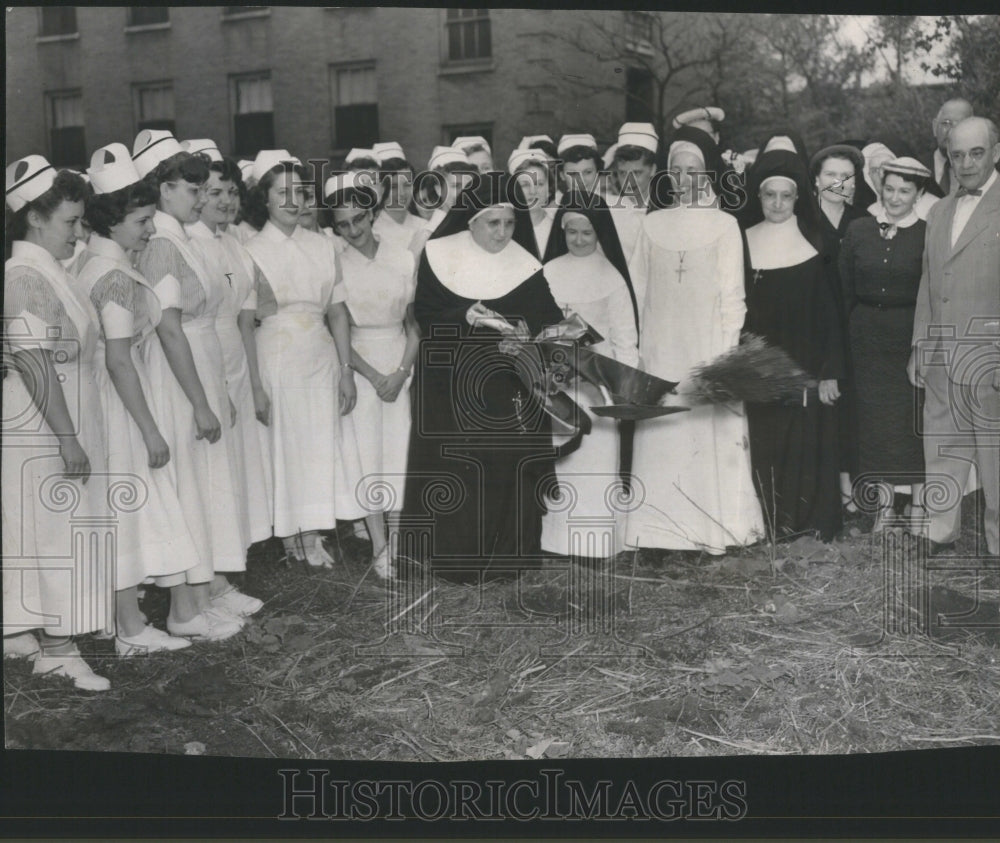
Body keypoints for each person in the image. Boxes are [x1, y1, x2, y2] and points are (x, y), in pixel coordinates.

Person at [399, 173, 565, 582]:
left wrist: (527, 336)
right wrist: (464, 315)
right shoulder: (439, 253)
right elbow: (426, 315)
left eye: (510, 223)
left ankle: (507, 559)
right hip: (449, 383)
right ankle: (452, 561)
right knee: (457, 471)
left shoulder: (524, 262)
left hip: (507, 383)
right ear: (471, 220)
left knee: (505, 467)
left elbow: (548, 320)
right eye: (494, 223)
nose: (503, 233)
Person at [76, 143, 203, 656]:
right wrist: (150, 427)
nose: (150, 231)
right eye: (143, 221)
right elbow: (119, 360)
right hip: (121, 405)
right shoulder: (113, 276)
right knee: (126, 510)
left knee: (122, 510)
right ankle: (128, 628)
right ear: (113, 221)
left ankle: (123, 619)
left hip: (114, 400)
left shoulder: (95, 263)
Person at [131, 130, 247, 641]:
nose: (203, 198)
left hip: (198, 363)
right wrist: (201, 402)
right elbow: (169, 327)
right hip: (177, 374)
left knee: (204, 486)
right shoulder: (159, 243)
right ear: (163, 189)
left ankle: (200, 597)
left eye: (205, 189)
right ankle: (182, 610)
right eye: (192, 189)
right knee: (186, 487)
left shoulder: (180, 236)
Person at [3, 157, 113, 687]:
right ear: (35, 220)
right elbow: (33, 360)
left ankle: (41, 634)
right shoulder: (24, 274)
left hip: (62, 414)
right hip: (41, 425)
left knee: (58, 527)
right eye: (71, 222)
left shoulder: (50, 269)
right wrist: (67, 437)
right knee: (49, 529)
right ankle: (57, 647)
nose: (79, 232)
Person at [624, 140, 764, 554]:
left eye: (693, 171)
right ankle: (657, 533)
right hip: (662, 347)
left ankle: (714, 531)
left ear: (706, 175)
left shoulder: (724, 225)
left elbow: (732, 295)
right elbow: (638, 290)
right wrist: (640, 350)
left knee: (706, 434)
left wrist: (723, 355)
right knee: (665, 433)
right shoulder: (651, 225)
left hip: (707, 347)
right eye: (678, 171)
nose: (685, 180)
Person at [242, 151, 365, 567]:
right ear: (264, 199)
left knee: (318, 443)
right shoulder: (250, 250)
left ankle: (314, 531)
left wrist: (346, 371)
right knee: (287, 444)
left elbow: (337, 311)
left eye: (300, 192)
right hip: (278, 354)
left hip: (321, 354)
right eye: (282, 193)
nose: (293, 201)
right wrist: (256, 384)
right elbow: (243, 316)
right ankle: (295, 538)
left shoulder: (324, 245)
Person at [742, 145, 846, 542]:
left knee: (803, 444)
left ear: (798, 198)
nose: (778, 203)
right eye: (770, 195)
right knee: (764, 442)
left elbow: (832, 317)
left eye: (786, 196)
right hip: (758, 364)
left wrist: (830, 372)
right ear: (759, 197)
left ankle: (806, 525)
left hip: (806, 365)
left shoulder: (815, 244)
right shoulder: (743, 241)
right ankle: (768, 524)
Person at [909, 117, 1000, 556]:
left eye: (976, 153)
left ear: (996, 153)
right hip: (942, 354)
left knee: (995, 458)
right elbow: (930, 282)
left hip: (989, 358)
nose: (965, 164)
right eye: (956, 154)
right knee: (941, 447)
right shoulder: (940, 210)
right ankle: (940, 533)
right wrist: (920, 348)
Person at [325, 172, 419, 579]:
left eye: (359, 219)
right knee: (366, 455)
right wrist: (368, 373)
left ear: (373, 213)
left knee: (397, 451)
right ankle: (379, 546)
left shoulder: (402, 256)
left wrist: (400, 372)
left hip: (400, 360)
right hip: (358, 362)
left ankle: (397, 542)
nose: (353, 230)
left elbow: (416, 324)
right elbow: (338, 324)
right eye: (343, 224)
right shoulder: (335, 263)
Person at [539, 191, 640, 558]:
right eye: (572, 232)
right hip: (558, 379)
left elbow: (626, 338)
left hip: (598, 382)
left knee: (595, 462)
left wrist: (624, 385)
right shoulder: (548, 271)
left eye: (587, 233)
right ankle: (555, 542)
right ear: (561, 232)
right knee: (562, 462)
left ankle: (596, 544)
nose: (579, 240)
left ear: (600, 233)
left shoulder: (611, 276)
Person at [186, 150, 274, 560]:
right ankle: (215, 574)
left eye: (232, 191)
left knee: (236, 466)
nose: (225, 200)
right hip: (209, 358)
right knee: (214, 472)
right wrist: (220, 384)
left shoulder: (233, 242)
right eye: (214, 191)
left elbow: (247, 318)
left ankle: (228, 567)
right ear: (197, 195)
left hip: (236, 358)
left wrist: (254, 384)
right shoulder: (193, 245)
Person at [839, 156, 930, 532]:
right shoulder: (859, 229)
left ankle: (919, 508)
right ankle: (885, 508)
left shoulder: (928, 232)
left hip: (907, 336)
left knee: (911, 422)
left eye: (905, 191)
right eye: (889, 189)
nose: (895, 198)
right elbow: (844, 287)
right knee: (875, 423)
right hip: (865, 339)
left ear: (919, 194)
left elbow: (932, 291)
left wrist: (921, 347)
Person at [810, 144, 871, 513]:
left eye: (847, 176)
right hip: (811, 327)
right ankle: (822, 486)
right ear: (816, 179)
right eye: (832, 174)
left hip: (852, 326)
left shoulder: (863, 221)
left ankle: (851, 483)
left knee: (850, 408)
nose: (839, 182)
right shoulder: (802, 220)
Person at [607, 122, 660, 259]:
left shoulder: (666, 209)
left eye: (637, 173)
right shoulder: (608, 211)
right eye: (623, 173)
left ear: (653, 169)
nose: (629, 182)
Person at [864, 140, 939, 221]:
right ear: (869, 177)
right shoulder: (871, 211)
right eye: (874, 170)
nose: (881, 175)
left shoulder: (934, 207)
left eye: (885, 168)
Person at [371, 142, 425, 253]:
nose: (401, 193)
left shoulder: (424, 226)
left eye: (406, 185)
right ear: (380, 189)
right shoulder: (372, 231)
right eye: (393, 186)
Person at [508, 148, 556, 259]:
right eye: (525, 184)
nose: (533, 191)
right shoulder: (506, 228)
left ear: (549, 190)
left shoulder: (559, 226)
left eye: (539, 184)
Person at [923, 98, 974, 198]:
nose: (951, 132)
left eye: (961, 124)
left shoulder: (982, 171)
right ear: (934, 127)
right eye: (946, 123)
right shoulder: (919, 166)